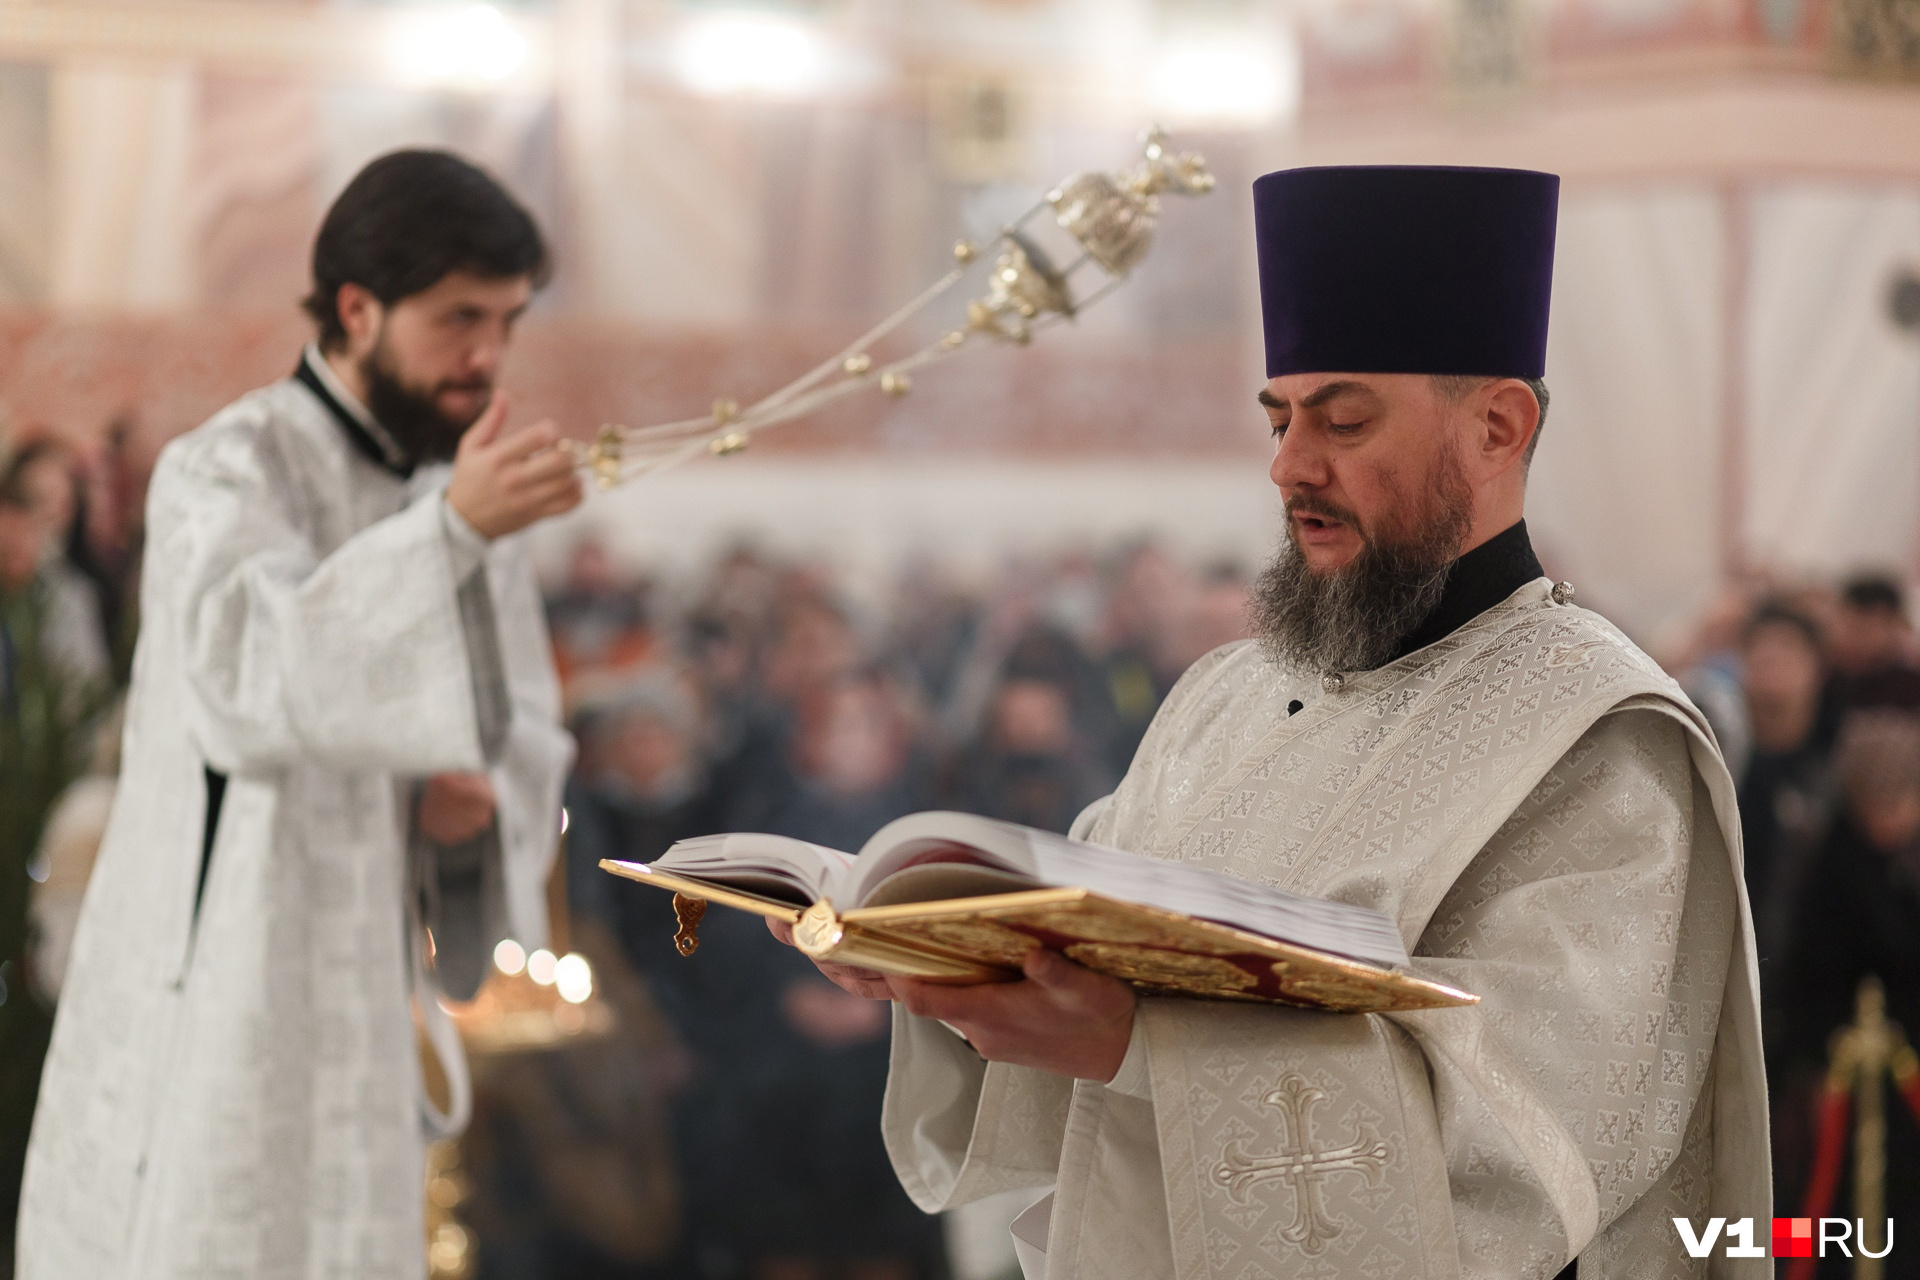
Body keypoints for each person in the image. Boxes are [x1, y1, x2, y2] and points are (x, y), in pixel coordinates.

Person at [781, 166, 1768, 1277]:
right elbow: (1071, 959)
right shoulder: (1225, 694)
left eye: (1343, 419)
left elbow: (1524, 1159)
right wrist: (939, 964)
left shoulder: (1601, 740)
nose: (1289, 463)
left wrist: (1136, 1047)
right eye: (1281, 416)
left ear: (1497, 426)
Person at [17, 150, 580, 1278]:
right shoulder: (224, 468)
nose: (488, 356)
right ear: (358, 309)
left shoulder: (455, 489)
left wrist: (472, 790)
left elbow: (521, 722)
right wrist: (451, 538)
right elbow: (242, 677)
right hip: (222, 978)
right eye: (460, 316)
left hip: (367, 987)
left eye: (508, 321)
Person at [1735, 602, 1831, 943]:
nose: (1771, 658)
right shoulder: (1721, 761)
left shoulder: (1838, 769)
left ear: (1818, 667)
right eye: (1760, 648)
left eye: (1787, 648)